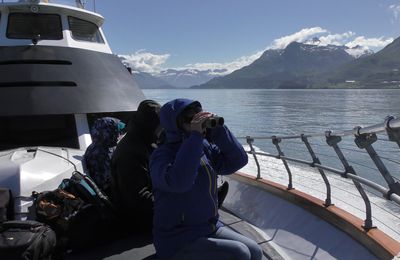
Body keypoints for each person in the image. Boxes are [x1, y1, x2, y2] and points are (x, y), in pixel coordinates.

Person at [150, 98, 263, 260]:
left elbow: (237, 160)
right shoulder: (161, 156)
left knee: (255, 251)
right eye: (190, 118)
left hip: (208, 226)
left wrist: (218, 130)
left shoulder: (201, 147)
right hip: (176, 238)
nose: (196, 120)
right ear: (175, 124)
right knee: (240, 253)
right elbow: (180, 182)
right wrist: (195, 136)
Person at [111, 100, 161, 232]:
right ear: (152, 124)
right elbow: (138, 199)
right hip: (140, 220)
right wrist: (174, 208)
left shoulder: (143, 141)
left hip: (149, 209)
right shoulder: (131, 152)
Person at [84, 117, 125, 196]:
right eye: (118, 132)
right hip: (109, 193)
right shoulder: (102, 152)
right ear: (109, 131)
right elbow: (107, 180)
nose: (120, 135)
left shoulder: (100, 145)